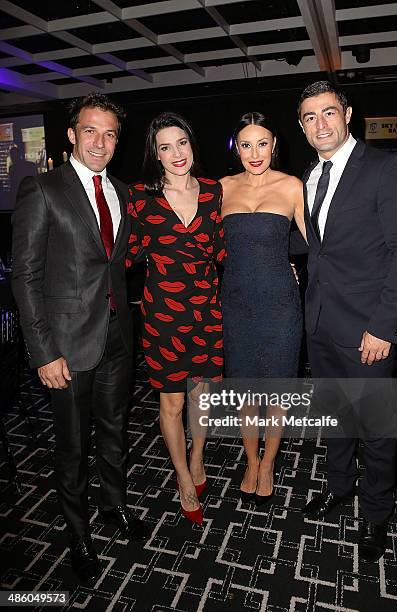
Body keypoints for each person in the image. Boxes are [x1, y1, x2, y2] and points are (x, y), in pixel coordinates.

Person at [12, 93, 149, 582]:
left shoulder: (124, 192)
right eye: (90, 130)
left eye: (110, 133)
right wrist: (42, 351)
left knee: (114, 432)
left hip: (117, 336)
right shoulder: (43, 189)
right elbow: (25, 277)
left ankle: (114, 506)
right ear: (71, 135)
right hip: (66, 345)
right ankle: (79, 534)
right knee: (72, 446)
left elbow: (119, 261)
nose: (100, 142)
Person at [296, 81, 397, 561]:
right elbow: (322, 248)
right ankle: (338, 487)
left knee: (375, 427)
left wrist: (385, 327)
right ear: (302, 126)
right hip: (322, 324)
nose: (320, 124)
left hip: (369, 329)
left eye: (328, 112)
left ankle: (375, 515)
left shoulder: (385, 168)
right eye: (310, 117)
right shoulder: (310, 174)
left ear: (347, 113)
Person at [126, 112, 225, 525]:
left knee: (202, 397)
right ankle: (183, 477)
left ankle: (197, 457)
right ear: (155, 153)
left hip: (206, 310)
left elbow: (223, 249)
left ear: (191, 143)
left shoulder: (213, 191)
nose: (175, 153)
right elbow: (124, 254)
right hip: (164, 315)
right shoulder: (139, 196)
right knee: (172, 401)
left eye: (181, 142)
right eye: (164, 146)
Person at [220, 112, 305, 505]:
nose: (255, 153)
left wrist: (293, 263)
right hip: (235, 303)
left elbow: (319, 244)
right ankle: (250, 460)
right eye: (246, 144)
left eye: (263, 143)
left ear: (275, 144)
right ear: (237, 147)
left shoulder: (291, 186)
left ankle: (268, 462)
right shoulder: (220, 188)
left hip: (280, 304)